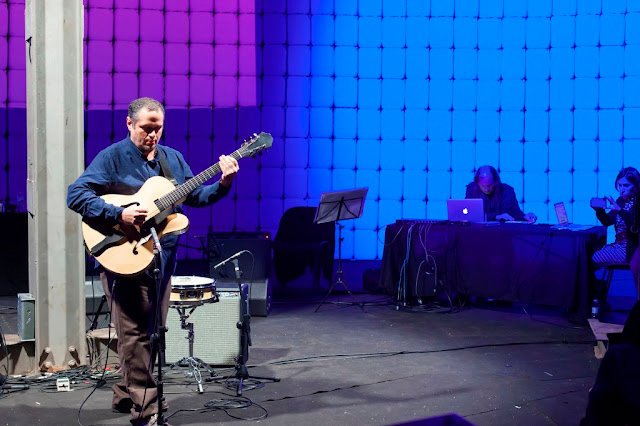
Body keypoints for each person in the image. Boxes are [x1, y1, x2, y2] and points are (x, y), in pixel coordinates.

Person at [67, 97, 239, 426]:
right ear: (129, 124)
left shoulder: (171, 159)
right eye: (146, 128)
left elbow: (196, 197)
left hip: (162, 260)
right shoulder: (112, 157)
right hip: (122, 256)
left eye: (158, 128)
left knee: (155, 332)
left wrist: (224, 183)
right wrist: (119, 213)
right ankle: (146, 412)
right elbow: (76, 195)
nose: (153, 135)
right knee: (133, 334)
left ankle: (124, 392)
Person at [591, 167, 640, 268]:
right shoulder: (621, 201)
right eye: (620, 185)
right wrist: (599, 210)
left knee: (590, 257)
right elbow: (607, 222)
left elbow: (635, 225)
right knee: (586, 250)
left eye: (626, 185)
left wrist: (619, 210)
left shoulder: (638, 203)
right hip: (618, 245)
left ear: (636, 186)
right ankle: (593, 283)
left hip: (631, 249)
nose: (622, 190)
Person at [465, 165, 537, 222]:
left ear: (496, 182)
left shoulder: (508, 190)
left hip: (503, 233)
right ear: (477, 183)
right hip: (478, 233)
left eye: (489, 185)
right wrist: (496, 217)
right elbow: (470, 214)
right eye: (483, 186)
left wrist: (525, 217)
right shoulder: (471, 189)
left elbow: (515, 212)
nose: (486, 189)